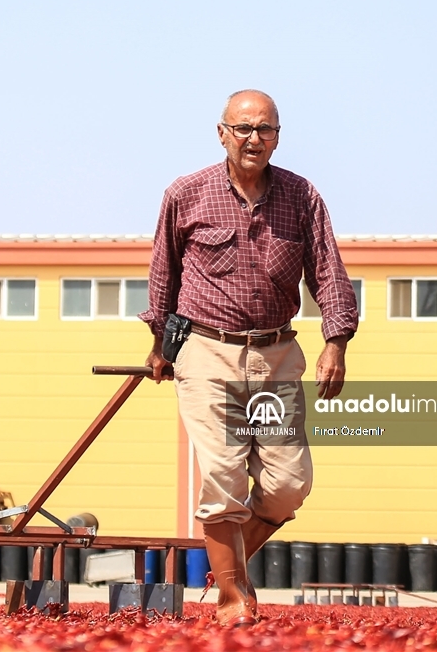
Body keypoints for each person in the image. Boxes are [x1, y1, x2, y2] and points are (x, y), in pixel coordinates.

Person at [140, 90, 358, 626]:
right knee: (222, 475)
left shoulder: (301, 196)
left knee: (288, 485)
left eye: (265, 129)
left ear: (278, 137)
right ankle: (235, 598)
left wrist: (336, 340)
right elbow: (163, 273)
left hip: (277, 354)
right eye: (243, 129)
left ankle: (227, 565)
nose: (253, 138)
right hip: (206, 350)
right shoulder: (186, 194)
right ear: (222, 133)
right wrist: (159, 346)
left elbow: (328, 271)